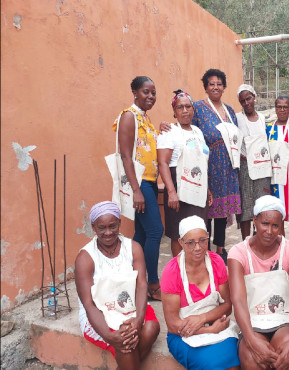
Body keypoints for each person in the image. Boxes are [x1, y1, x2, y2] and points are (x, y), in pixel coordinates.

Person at [75, 201, 160, 370]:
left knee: (150, 328)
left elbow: (142, 285)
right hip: (100, 314)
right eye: (102, 228)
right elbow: (89, 304)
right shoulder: (85, 258)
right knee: (123, 343)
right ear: (93, 227)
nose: (108, 233)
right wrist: (109, 336)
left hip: (130, 308)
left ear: (120, 223)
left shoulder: (133, 248)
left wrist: (138, 321)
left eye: (113, 226)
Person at [228, 195, 289, 370]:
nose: (270, 231)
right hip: (252, 323)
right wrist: (250, 339)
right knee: (251, 358)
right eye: (265, 223)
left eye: (275, 225)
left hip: (284, 320)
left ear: (281, 226)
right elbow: (238, 300)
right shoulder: (238, 253)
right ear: (255, 220)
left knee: (288, 356)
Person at [161, 216, 240, 370]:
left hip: (218, 327)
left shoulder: (216, 262)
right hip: (184, 336)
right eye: (190, 242)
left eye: (202, 240)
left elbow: (227, 306)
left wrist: (202, 318)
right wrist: (209, 329)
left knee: (234, 362)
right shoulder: (172, 271)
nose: (197, 247)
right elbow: (172, 325)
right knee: (211, 364)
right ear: (181, 243)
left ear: (208, 237)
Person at [113, 76, 164, 301]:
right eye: (146, 92)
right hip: (140, 182)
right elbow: (125, 155)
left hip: (149, 181)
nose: (150, 96)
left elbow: (145, 148)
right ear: (134, 92)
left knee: (142, 233)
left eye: (153, 92)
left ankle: (134, 278)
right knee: (155, 231)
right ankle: (152, 283)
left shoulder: (146, 119)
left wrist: (159, 131)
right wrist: (136, 190)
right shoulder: (128, 116)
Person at [193, 68, 242, 263]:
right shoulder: (197, 108)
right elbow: (188, 129)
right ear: (205, 87)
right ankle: (203, 248)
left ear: (224, 87)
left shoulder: (229, 110)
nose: (215, 87)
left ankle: (220, 247)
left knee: (222, 210)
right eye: (211, 84)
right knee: (208, 209)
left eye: (219, 84)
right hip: (208, 165)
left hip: (228, 166)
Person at [157, 90, 211, 257]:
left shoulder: (197, 132)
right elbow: (163, 163)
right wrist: (172, 192)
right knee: (178, 232)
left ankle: (199, 270)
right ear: (174, 111)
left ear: (193, 109)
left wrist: (207, 189)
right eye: (180, 107)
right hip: (178, 186)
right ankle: (180, 272)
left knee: (198, 229)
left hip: (197, 187)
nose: (185, 111)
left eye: (188, 106)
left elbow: (202, 163)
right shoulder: (169, 131)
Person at [266, 95, 289, 245]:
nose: (282, 110)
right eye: (279, 107)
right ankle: (282, 246)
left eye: (285, 107)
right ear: (275, 108)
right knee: (278, 212)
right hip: (275, 177)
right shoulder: (268, 128)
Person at [236, 84, 271, 240]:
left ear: (254, 97)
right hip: (245, 167)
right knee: (246, 205)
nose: (246, 103)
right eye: (242, 101)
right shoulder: (237, 118)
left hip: (262, 167)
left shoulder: (263, 119)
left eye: (248, 98)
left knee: (261, 203)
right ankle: (246, 242)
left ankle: (258, 239)